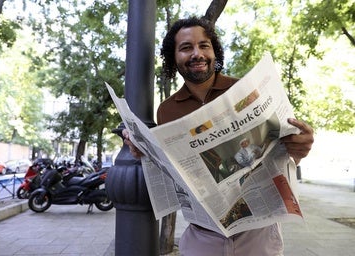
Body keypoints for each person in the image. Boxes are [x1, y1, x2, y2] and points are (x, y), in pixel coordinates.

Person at [123, 16, 314, 256]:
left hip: (258, 234)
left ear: (214, 51)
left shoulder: (244, 89)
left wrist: (302, 146)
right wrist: (145, 152)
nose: (197, 54)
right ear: (174, 58)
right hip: (202, 236)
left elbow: (284, 144)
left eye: (204, 45)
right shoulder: (167, 109)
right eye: (186, 48)